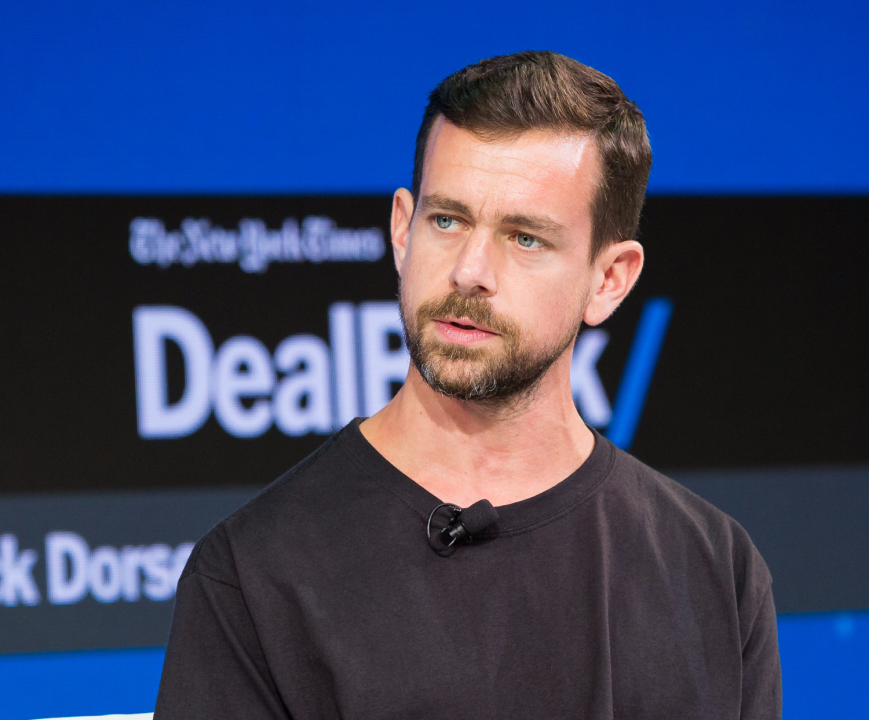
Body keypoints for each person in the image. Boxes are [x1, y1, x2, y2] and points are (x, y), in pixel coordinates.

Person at [155, 51, 782, 719]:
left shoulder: (715, 571)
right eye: (447, 220)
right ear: (402, 230)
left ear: (610, 279)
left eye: (525, 238)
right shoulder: (254, 574)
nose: (469, 270)